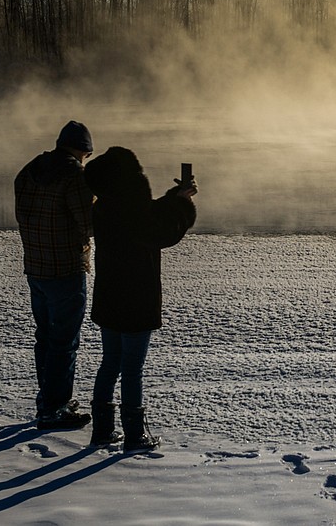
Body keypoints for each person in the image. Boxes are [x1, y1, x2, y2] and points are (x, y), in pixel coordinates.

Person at [82, 146, 197, 451]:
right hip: (136, 298)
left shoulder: (105, 205)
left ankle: (103, 430)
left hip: (109, 296)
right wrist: (183, 207)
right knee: (132, 369)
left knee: (110, 363)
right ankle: (135, 435)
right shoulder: (132, 210)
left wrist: (174, 199)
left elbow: (147, 215)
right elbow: (163, 232)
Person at [14, 120, 95, 431]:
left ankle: (48, 399)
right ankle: (55, 408)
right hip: (65, 269)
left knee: (46, 337)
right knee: (64, 341)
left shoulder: (30, 169)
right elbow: (88, 225)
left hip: (35, 266)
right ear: (83, 150)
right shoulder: (74, 175)